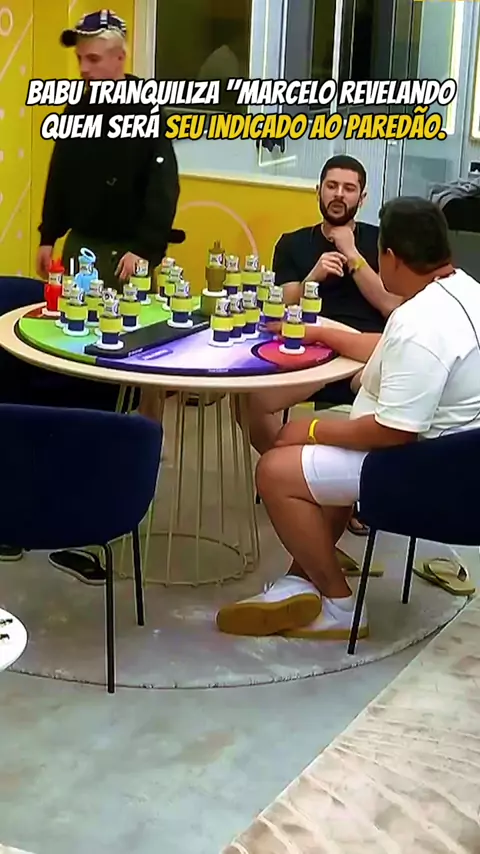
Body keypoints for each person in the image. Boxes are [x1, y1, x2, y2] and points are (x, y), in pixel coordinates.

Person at [216, 196, 480, 639]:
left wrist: (310, 429)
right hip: (454, 457)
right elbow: (387, 346)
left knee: (277, 469)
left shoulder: (420, 323)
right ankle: (301, 579)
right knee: (324, 450)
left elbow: (392, 432)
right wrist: (320, 332)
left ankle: (339, 606)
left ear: (390, 257)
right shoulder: (463, 291)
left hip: (422, 470)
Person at [36, 10, 180, 585]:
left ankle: (123, 473)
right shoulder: (74, 109)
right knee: (70, 358)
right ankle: (58, 487)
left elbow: (164, 189)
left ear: (121, 59)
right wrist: (48, 236)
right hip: (81, 247)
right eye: (80, 60)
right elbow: (59, 176)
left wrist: (146, 249)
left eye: (94, 59)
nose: (85, 69)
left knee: (124, 365)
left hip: (129, 253)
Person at [244, 154, 402, 533]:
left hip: (363, 354)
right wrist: (312, 278)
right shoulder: (293, 243)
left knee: (380, 399)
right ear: (318, 190)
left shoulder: (380, 243)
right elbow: (280, 306)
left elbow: (391, 304)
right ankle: (307, 478)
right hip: (309, 355)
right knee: (249, 401)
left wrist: (352, 254)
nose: (339, 195)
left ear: (362, 197)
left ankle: (350, 488)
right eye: (332, 186)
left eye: (349, 188)